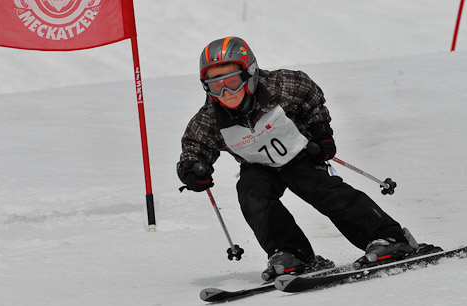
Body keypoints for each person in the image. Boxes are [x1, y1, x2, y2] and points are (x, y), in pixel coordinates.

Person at [177, 36, 420, 282]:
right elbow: (194, 145)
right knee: (252, 194)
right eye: (216, 86)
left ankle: (389, 238)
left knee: (322, 190)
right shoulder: (210, 117)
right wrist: (192, 169)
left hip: (299, 155)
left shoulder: (280, 86)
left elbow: (310, 96)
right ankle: (293, 253)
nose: (226, 93)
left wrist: (321, 133)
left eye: (231, 82)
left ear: (250, 74)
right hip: (257, 166)